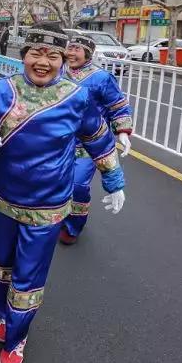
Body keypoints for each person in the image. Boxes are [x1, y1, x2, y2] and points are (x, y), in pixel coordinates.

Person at [0, 24, 126, 363]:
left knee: (29, 274)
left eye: (53, 55)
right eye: (36, 53)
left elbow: (98, 139)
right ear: (23, 56)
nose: (43, 62)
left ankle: (17, 335)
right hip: (4, 196)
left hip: (48, 204)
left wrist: (114, 180)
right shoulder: (2, 90)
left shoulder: (76, 96)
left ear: (62, 61)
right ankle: (4, 315)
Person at [60, 33, 133, 245]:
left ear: (88, 54)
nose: (71, 53)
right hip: (58, 143)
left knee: (77, 186)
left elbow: (117, 106)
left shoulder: (101, 78)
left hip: (87, 145)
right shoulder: (57, 72)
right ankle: (53, 216)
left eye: (77, 49)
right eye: (70, 48)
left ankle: (73, 226)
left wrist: (122, 132)